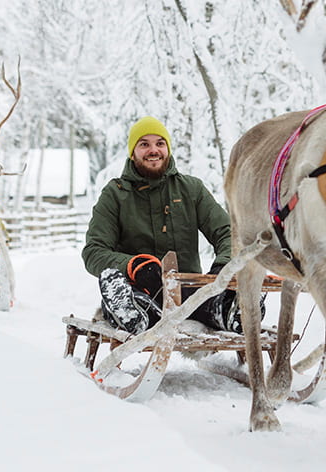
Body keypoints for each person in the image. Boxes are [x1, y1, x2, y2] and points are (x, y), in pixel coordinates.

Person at [82, 116, 245, 334]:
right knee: (137, 302)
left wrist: (224, 265)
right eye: (144, 144)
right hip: (141, 288)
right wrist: (133, 265)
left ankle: (235, 311)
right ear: (133, 152)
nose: (153, 150)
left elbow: (228, 233)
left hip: (190, 290)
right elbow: (93, 252)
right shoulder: (115, 194)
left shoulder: (191, 189)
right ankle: (132, 313)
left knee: (213, 302)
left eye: (160, 143)